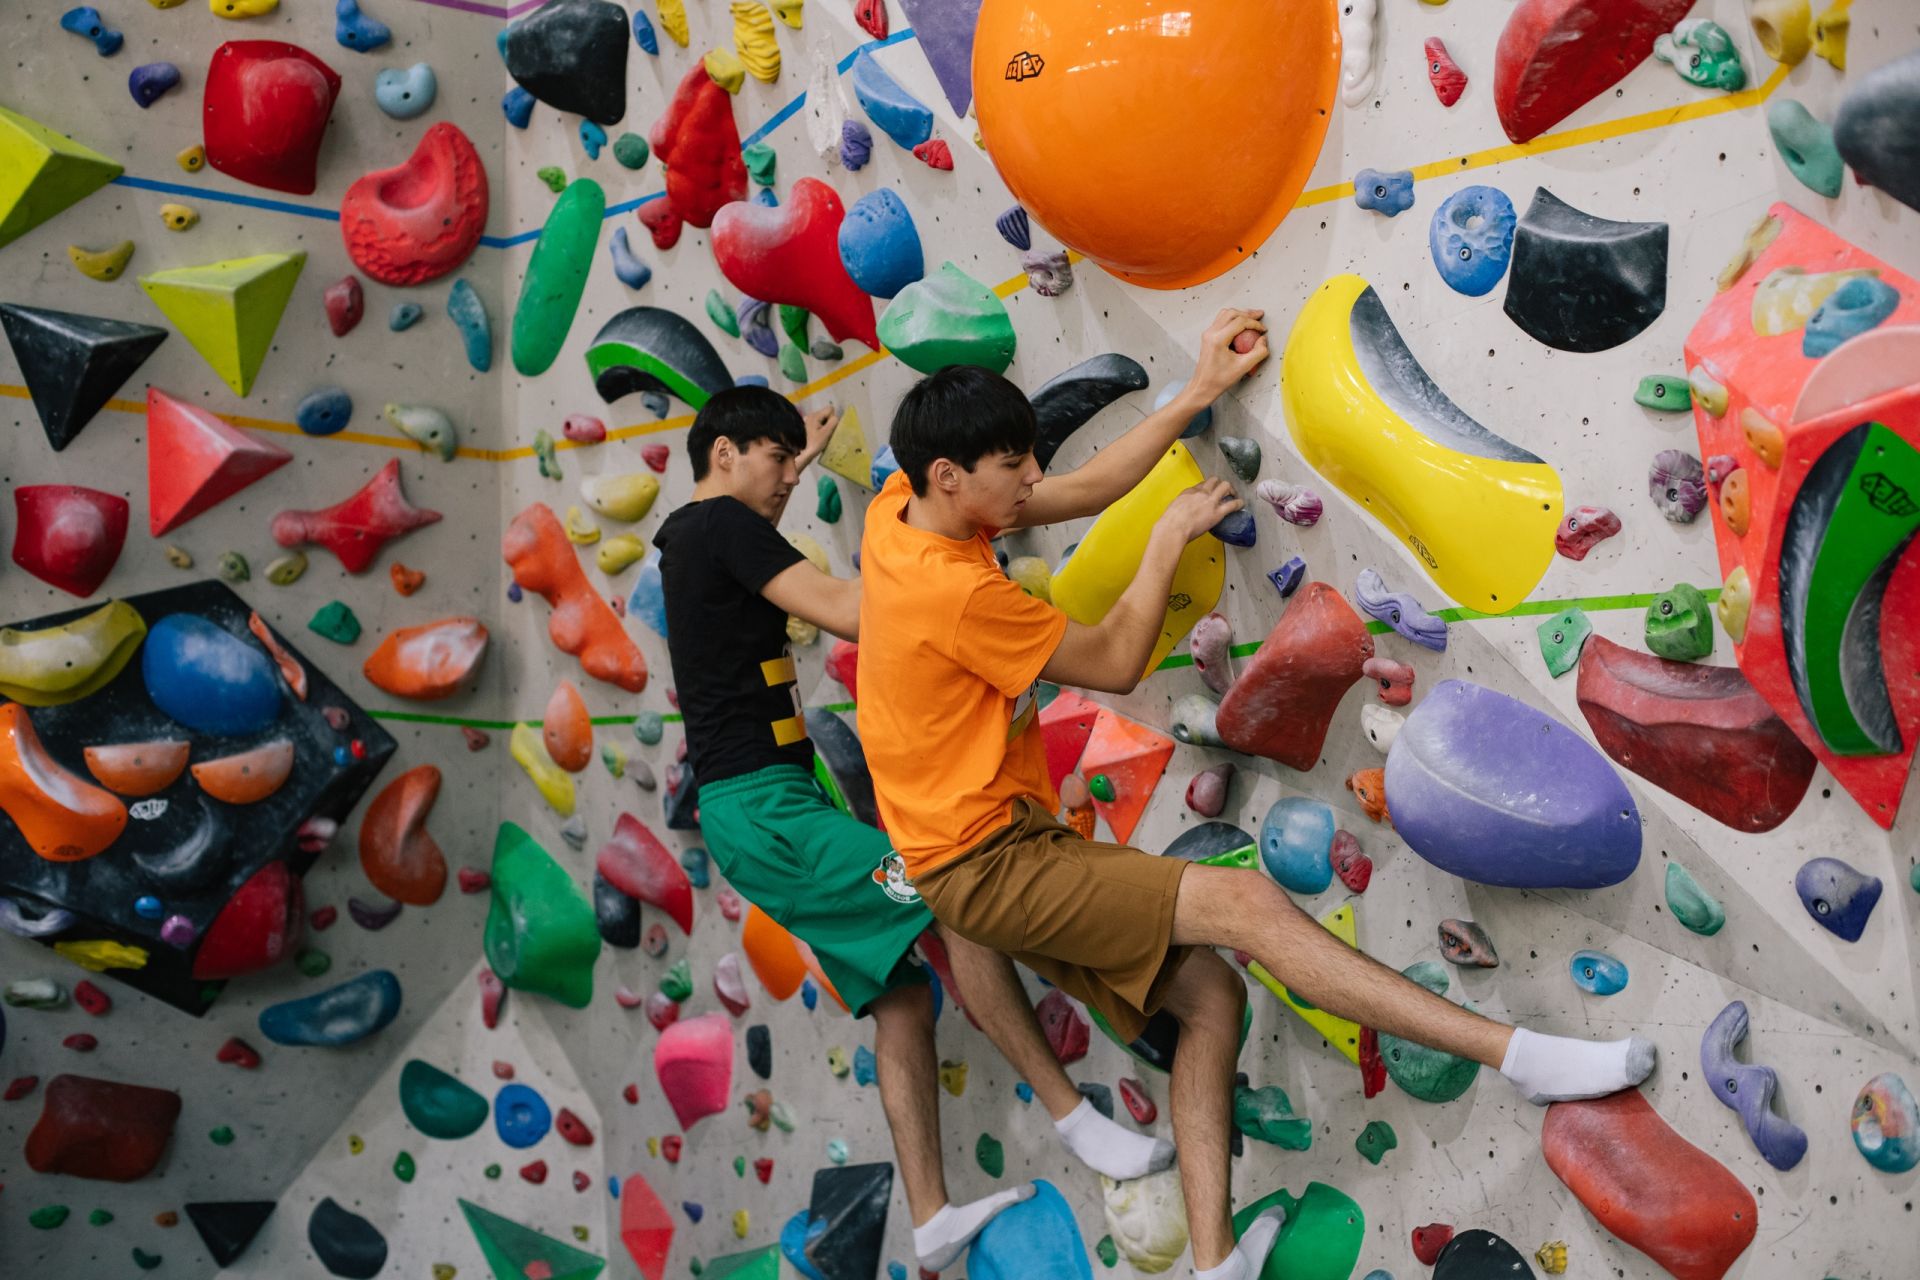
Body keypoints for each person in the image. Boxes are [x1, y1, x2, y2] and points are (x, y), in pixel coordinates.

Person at [854, 310, 1659, 1280]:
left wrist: (1193, 393)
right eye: (1012, 468)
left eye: (1029, 460)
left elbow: (1069, 489)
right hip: (989, 860)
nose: (1032, 482)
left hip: (979, 846)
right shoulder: (958, 591)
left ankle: (1215, 1263)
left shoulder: (902, 504)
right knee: (1247, 902)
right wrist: (1165, 536)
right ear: (952, 476)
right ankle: (1519, 1053)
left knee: (1210, 997)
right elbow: (1111, 658)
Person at [654, 386, 1176, 1272]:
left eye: (794, 462)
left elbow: (782, 541)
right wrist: (921, 580)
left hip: (757, 814)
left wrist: (806, 462)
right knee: (946, 885)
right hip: (771, 813)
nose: (787, 478)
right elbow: (857, 612)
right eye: (775, 461)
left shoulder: (694, 535)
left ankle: (930, 1214)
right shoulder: (720, 526)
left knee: (901, 999)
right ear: (724, 455)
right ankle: (1073, 1118)